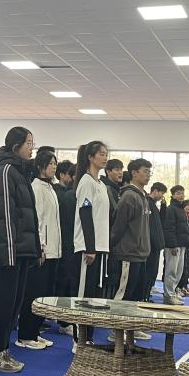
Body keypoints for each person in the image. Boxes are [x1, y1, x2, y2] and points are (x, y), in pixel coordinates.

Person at [0, 127, 39, 373]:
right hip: (6, 251)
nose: (31, 149)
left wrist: (34, 249)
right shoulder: (5, 171)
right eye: (28, 143)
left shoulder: (19, 172)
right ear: (15, 145)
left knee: (14, 304)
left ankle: (3, 350)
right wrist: (9, 253)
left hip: (20, 250)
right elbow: (3, 214)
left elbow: (27, 216)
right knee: (3, 303)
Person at [17, 150, 60, 350]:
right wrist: (40, 246)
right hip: (42, 251)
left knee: (44, 294)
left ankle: (35, 332)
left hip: (53, 250)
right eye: (50, 163)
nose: (54, 167)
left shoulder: (50, 187)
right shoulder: (36, 187)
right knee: (33, 294)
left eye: (55, 163)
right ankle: (25, 335)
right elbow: (37, 220)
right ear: (40, 166)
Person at [73, 141, 111, 346]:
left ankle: (88, 338)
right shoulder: (86, 182)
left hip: (100, 247)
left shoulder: (101, 184)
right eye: (101, 154)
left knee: (93, 296)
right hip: (88, 248)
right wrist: (90, 247)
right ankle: (78, 339)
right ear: (90, 157)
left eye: (106, 154)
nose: (105, 157)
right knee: (83, 295)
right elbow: (85, 214)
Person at [108, 159, 151, 306]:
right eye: (145, 171)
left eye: (149, 172)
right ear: (134, 173)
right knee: (123, 297)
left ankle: (130, 323)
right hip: (128, 255)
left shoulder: (143, 197)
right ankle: (116, 322)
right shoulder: (129, 196)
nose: (148, 175)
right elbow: (118, 227)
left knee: (135, 298)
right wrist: (112, 246)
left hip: (141, 255)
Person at [53, 160, 78, 337]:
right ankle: (63, 321)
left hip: (72, 245)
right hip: (67, 244)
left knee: (70, 283)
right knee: (65, 283)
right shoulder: (67, 196)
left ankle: (66, 319)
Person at [162, 185, 189, 305]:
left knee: (178, 271)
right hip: (173, 246)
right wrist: (172, 245)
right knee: (171, 271)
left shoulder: (181, 209)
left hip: (181, 245)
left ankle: (173, 292)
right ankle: (168, 295)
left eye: (182, 193)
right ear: (172, 195)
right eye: (178, 193)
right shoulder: (171, 209)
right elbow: (169, 228)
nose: (181, 195)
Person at [145, 182, 167, 302]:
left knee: (153, 271)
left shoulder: (154, 205)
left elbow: (160, 222)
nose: (162, 196)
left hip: (156, 245)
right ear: (155, 191)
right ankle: (144, 296)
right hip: (151, 245)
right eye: (161, 193)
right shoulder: (147, 203)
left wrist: (163, 207)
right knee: (148, 272)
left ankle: (147, 294)